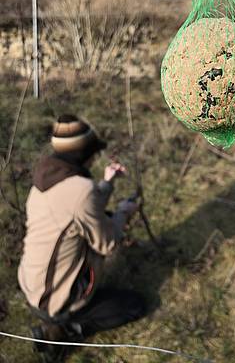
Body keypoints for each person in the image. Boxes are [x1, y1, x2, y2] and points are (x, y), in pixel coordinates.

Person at [18, 114, 146, 361]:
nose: (94, 158)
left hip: (31, 284)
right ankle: (67, 330)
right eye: (93, 153)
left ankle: (58, 321)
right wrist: (124, 212)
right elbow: (107, 243)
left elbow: (75, 207)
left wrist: (107, 183)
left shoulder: (43, 181)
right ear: (83, 154)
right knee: (133, 305)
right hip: (54, 300)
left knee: (100, 219)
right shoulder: (81, 190)